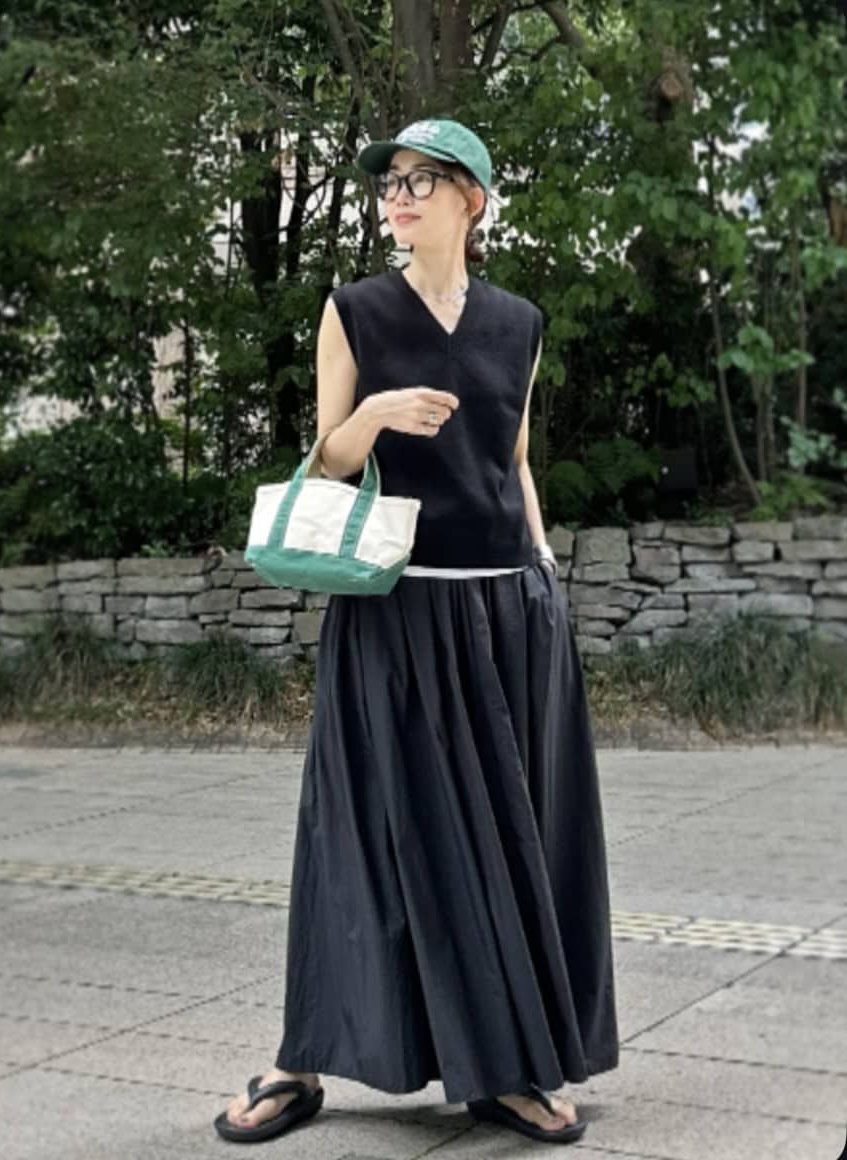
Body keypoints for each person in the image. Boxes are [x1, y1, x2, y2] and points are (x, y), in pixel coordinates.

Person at [215, 117, 619, 1147]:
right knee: (357, 833)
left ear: (471, 200)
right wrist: (376, 415)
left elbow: (512, 458)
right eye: (389, 181)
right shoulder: (353, 311)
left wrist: (545, 569)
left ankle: (510, 1066)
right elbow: (326, 461)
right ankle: (301, 1059)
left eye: (420, 180)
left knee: (512, 844)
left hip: (507, 608)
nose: (396, 196)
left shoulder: (519, 323)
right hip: (393, 610)